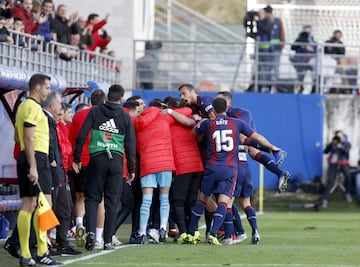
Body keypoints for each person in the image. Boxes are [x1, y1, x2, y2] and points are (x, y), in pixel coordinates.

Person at [186, 98, 284, 245]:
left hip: (212, 167)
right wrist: (272, 147)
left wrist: (201, 124)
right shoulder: (236, 123)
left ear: (213, 108)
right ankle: (213, 234)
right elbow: (256, 137)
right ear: (227, 108)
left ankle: (191, 233)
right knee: (224, 203)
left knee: (202, 200)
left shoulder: (208, 123)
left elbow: (194, 133)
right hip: (229, 169)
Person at [216, 91, 290, 245]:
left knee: (227, 202)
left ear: (226, 103)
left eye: (219, 100)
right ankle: (254, 231)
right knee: (246, 203)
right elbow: (250, 144)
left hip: (233, 166)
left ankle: (231, 236)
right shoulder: (243, 114)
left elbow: (245, 139)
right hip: (245, 167)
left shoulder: (231, 118)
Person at [72, 84, 136, 250]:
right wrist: (131, 169)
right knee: (112, 201)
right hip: (116, 161)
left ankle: (91, 233)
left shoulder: (95, 112)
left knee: (92, 198)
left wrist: (77, 157)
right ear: (121, 98)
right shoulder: (125, 116)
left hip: (97, 158)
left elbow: (82, 134)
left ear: (108, 96)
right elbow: (130, 145)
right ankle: (107, 240)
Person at [14, 74, 61, 266]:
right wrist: (34, 166)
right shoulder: (32, 107)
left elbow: (18, 139)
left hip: (28, 157)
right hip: (36, 158)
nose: (49, 91)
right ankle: (41, 252)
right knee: (43, 205)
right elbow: (27, 138)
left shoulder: (24, 106)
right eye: (47, 87)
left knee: (30, 205)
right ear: (38, 88)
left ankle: (27, 254)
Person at [42, 92, 81, 256]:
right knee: (48, 209)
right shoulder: (50, 125)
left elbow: (65, 150)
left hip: (61, 173)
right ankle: (41, 243)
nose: (67, 113)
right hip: (51, 172)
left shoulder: (60, 127)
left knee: (65, 209)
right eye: (67, 111)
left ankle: (61, 242)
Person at [68, 90, 106, 248]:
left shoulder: (79, 116)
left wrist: (74, 160)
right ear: (104, 101)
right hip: (99, 160)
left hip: (81, 161)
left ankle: (79, 224)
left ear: (90, 101)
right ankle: (98, 237)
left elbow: (72, 139)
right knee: (99, 200)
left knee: (80, 197)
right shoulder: (107, 116)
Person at [257, 5, 285, 92]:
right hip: (266, 50)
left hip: (275, 49)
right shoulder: (263, 22)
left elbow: (282, 34)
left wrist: (281, 46)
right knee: (266, 69)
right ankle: (266, 87)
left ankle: (275, 87)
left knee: (275, 68)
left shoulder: (278, 21)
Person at [322, 130, 353, 208]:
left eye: (341, 136)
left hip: (343, 164)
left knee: (348, 176)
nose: (340, 137)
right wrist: (331, 144)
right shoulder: (333, 144)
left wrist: (340, 147)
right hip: (333, 164)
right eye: (338, 136)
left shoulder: (347, 144)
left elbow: (346, 151)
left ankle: (347, 193)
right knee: (331, 180)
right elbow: (325, 151)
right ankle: (325, 200)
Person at [290, 25, 317, 93]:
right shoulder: (299, 39)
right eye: (306, 29)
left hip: (310, 60)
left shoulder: (312, 40)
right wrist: (303, 46)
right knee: (300, 73)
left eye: (309, 30)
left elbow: (315, 50)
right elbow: (293, 47)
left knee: (312, 73)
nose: (308, 31)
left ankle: (313, 87)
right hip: (301, 59)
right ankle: (299, 87)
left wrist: (311, 51)